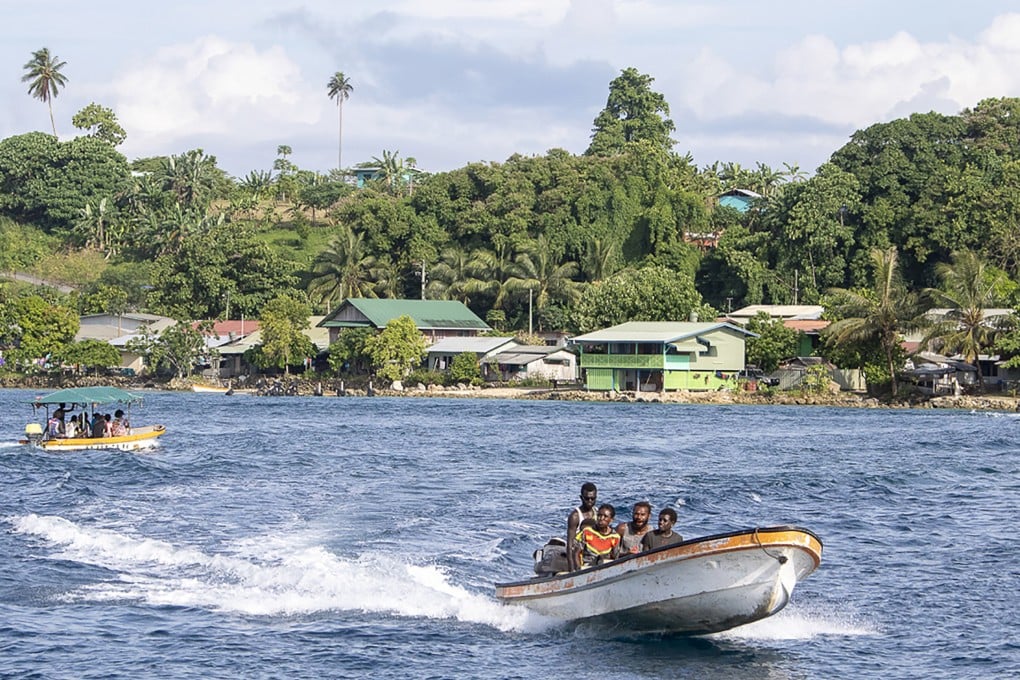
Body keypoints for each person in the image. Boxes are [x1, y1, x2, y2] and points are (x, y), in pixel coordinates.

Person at [574, 504, 622, 568]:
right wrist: (579, 569)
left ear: (611, 519)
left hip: (605, 567)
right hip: (587, 567)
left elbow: (615, 557)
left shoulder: (615, 537)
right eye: (599, 515)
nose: (601, 518)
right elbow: (576, 553)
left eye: (605, 516)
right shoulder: (587, 532)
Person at [566, 482, 598, 571]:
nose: (590, 501)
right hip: (579, 554)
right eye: (587, 498)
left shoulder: (598, 513)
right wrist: (571, 571)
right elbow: (570, 545)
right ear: (581, 498)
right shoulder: (575, 516)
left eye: (593, 498)